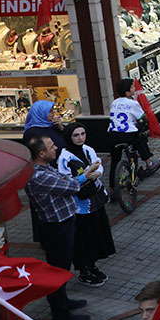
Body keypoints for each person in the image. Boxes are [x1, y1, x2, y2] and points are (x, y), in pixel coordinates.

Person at [24, 135, 96, 320]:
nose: (55, 148)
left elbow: (65, 178)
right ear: (41, 153)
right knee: (57, 272)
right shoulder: (38, 176)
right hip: (56, 229)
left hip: (63, 225)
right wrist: (85, 175)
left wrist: (83, 176)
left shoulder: (44, 168)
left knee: (62, 269)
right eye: (51, 146)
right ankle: (61, 316)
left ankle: (64, 302)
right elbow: (70, 186)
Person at [59, 122, 115, 287]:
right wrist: (88, 175)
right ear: (69, 137)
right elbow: (67, 182)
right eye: (76, 135)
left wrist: (97, 172)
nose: (80, 138)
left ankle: (92, 266)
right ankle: (84, 271)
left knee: (96, 235)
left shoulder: (88, 150)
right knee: (84, 239)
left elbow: (99, 164)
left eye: (82, 134)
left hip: (95, 201)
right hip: (80, 206)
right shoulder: (65, 157)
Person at [107, 79, 152, 165]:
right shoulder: (133, 103)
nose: (134, 88)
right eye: (132, 87)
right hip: (128, 134)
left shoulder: (114, 102)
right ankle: (148, 162)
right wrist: (149, 121)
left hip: (113, 134)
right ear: (127, 93)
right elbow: (143, 117)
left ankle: (114, 175)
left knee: (115, 159)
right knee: (140, 141)